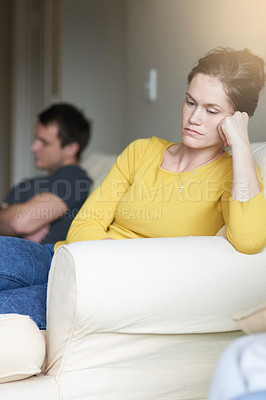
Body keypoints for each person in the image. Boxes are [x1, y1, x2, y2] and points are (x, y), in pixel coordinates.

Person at [0, 47, 265, 330]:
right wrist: (129, 255)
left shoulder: (236, 178)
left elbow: (249, 241)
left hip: (102, 289)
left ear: (237, 119)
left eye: (212, 111)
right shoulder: (142, 151)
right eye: (190, 102)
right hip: (60, 257)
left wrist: (240, 144)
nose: (194, 118)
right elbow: (82, 226)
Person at [0, 103, 93, 244]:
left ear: (70, 148)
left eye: (44, 142)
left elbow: (19, 223)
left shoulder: (74, 179)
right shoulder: (28, 183)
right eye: (36, 139)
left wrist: (12, 219)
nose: (33, 147)